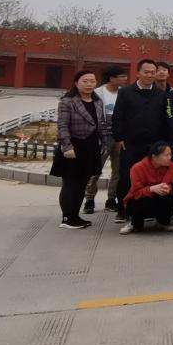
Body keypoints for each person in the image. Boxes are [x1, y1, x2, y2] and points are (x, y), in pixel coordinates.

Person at [53, 70, 111, 229]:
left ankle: (75, 216)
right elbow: (62, 126)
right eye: (85, 81)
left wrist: (104, 143)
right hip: (73, 146)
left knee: (82, 183)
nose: (89, 84)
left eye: (92, 81)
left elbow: (101, 125)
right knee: (70, 183)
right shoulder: (67, 101)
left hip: (90, 147)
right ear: (76, 83)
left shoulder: (97, 101)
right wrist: (67, 146)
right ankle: (67, 218)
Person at [112, 59, 167, 220]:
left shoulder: (160, 94)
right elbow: (118, 116)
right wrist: (119, 137)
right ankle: (123, 209)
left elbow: (164, 119)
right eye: (146, 72)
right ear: (138, 73)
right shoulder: (126, 92)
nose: (150, 75)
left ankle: (147, 210)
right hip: (130, 143)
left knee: (151, 177)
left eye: (152, 72)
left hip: (153, 144)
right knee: (126, 176)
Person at [84, 64, 128, 216]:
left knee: (118, 170)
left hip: (120, 137)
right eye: (122, 76)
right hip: (102, 137)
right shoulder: (97, 93)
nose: (125, 79)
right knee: (95, 169)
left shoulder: (125, 93)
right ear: (111, 78)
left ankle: (111, 199)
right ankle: (89, 199)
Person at [120, 141, 173, 234]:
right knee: (137, 202)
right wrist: (151, 189)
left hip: (159, 197)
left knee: (168, 197)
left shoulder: (172, 166)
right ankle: (135, 224)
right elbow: (136, 192)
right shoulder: (137, 168)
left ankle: (163, 222)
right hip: (140, 199)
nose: (170, 158)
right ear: (154, 157)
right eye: (166, 155)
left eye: (170, 154)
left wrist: (168, 188)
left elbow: (167, 184)